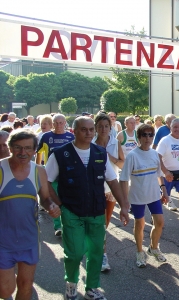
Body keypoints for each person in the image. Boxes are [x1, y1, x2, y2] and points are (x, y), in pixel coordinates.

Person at [46, 116, 130, 300]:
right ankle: (71, 284)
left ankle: (92, 288)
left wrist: (124, 205)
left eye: (91, 129)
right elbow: (46, 181)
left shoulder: (100, 153)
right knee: (74, 253)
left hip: (96, 211)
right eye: (84, 129)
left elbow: (112, 181)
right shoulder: (60, 154)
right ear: (74, 131)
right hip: (71, 212)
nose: (89, 133)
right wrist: (58, 204)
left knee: (96, 252)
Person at [0, 129, 61, 300]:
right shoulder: (1, 169)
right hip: (3, 240)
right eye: (18, 148)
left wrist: (51, 206)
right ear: (10, 147)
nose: (23, 153)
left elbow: (45, 198)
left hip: (29, 238)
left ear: (35, 150)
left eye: (28, 148)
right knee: (5, 291)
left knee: (26, 286)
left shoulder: (39, 171)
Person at [120, 124, 169, 268]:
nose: (147, 138)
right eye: (144, 135)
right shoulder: (132, 156)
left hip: (154, 195)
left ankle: (153, 248)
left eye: (150, 135)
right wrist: (124, 202)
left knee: (159, 222)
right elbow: (123, 179)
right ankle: (140, 251)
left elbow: (159, 174)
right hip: (137, 196)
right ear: (139, 138)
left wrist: (164, 191)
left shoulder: (154, 154)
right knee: (140, 224)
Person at [93, 114, 125, 272]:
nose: (103, 129)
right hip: (94, 188)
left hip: (111, 188)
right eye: (100, 126)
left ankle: (97, 250)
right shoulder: (90, 143)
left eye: (106, 126)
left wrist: (110, 157)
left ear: (110, 128)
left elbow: (122, 164)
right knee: (98, 224)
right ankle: (102, 256)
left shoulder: (115, 143)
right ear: (96, 128)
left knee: (104, 224)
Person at [36, 114, 74, 236]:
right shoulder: (46, 136)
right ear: (52, 124)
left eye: (61, 122)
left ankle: (68, 225)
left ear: (65, 123)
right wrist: (37, 168)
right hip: (52, 175)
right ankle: (58, 227)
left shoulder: (71, 136)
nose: (58, 125)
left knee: (68, 200)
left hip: (68, 173)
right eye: (56, 123)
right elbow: (39, 152)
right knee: (55, 200)